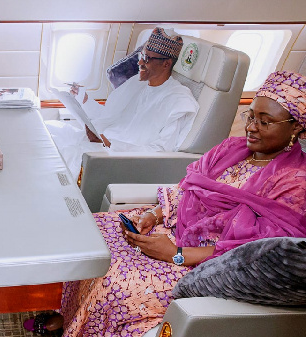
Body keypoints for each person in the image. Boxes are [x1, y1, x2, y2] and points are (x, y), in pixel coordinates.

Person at [24, 70, 306, 336]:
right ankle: (72, 317)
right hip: (174, 228)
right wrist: (153, 214)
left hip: (201, 261)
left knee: (117, 282)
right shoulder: (232, 149)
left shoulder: (294, 183)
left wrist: (176, 254)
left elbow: (251, 256)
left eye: (265, 121)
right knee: (92, 232)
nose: (251, 128)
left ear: (296, 128)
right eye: (250, 115)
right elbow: (188, 188)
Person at [46, 28, 199, 177]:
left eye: (147, 58)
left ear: (166, 64)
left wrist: (110, 143)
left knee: (56, 160)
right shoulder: (138, 83)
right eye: (142, 55)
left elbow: (160, 152)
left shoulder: (179, 101)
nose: (140, 62)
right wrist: (83, 99)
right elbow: (109, 116)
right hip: (101, 142)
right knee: (49, 130)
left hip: (117, 157)